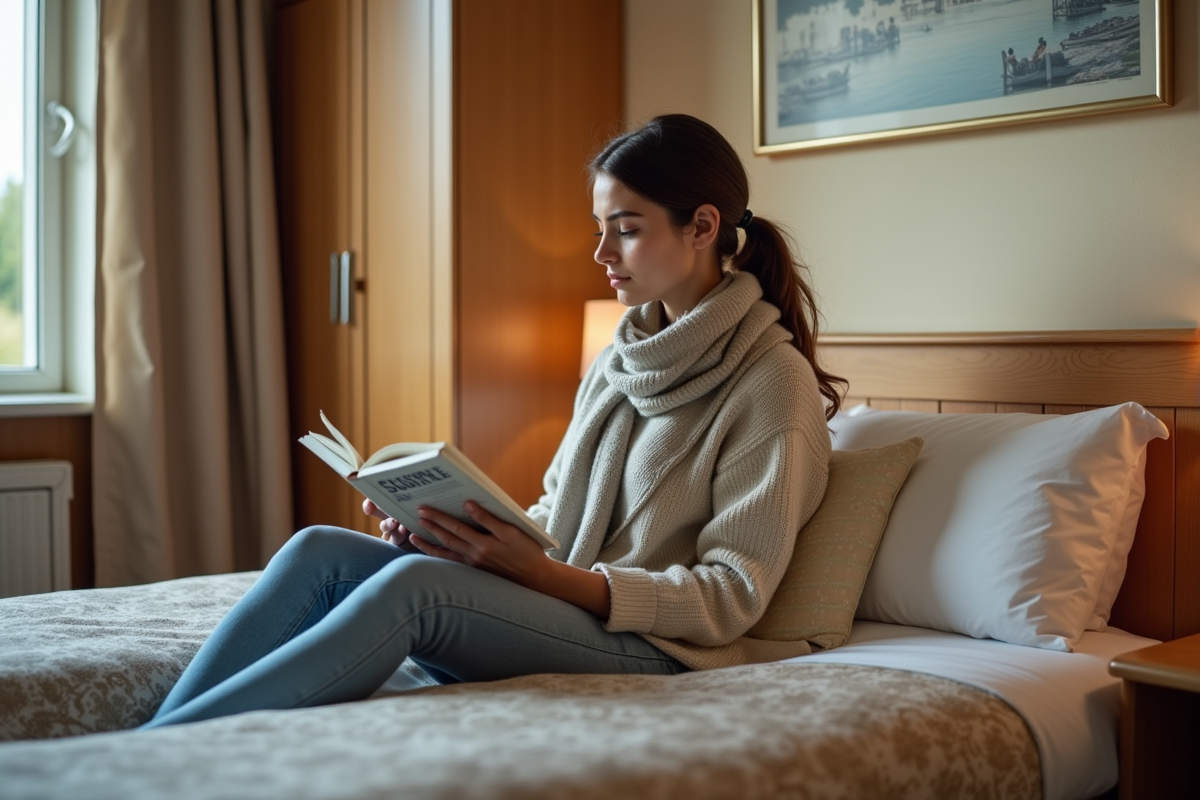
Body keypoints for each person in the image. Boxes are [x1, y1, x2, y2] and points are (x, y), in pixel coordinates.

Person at [142, 114, 839, 729]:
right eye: (600, 230)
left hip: (661, 649)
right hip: (563, 605)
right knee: (318, 550)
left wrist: (541, 576)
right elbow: (556, 513)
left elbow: (732, 595)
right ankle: (156, 741)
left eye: (626, 231)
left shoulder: (771, 383)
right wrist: (455, 539)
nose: (602, 254)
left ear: (703, 227)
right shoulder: (619, 360)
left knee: (413, 593)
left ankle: (149, 761)